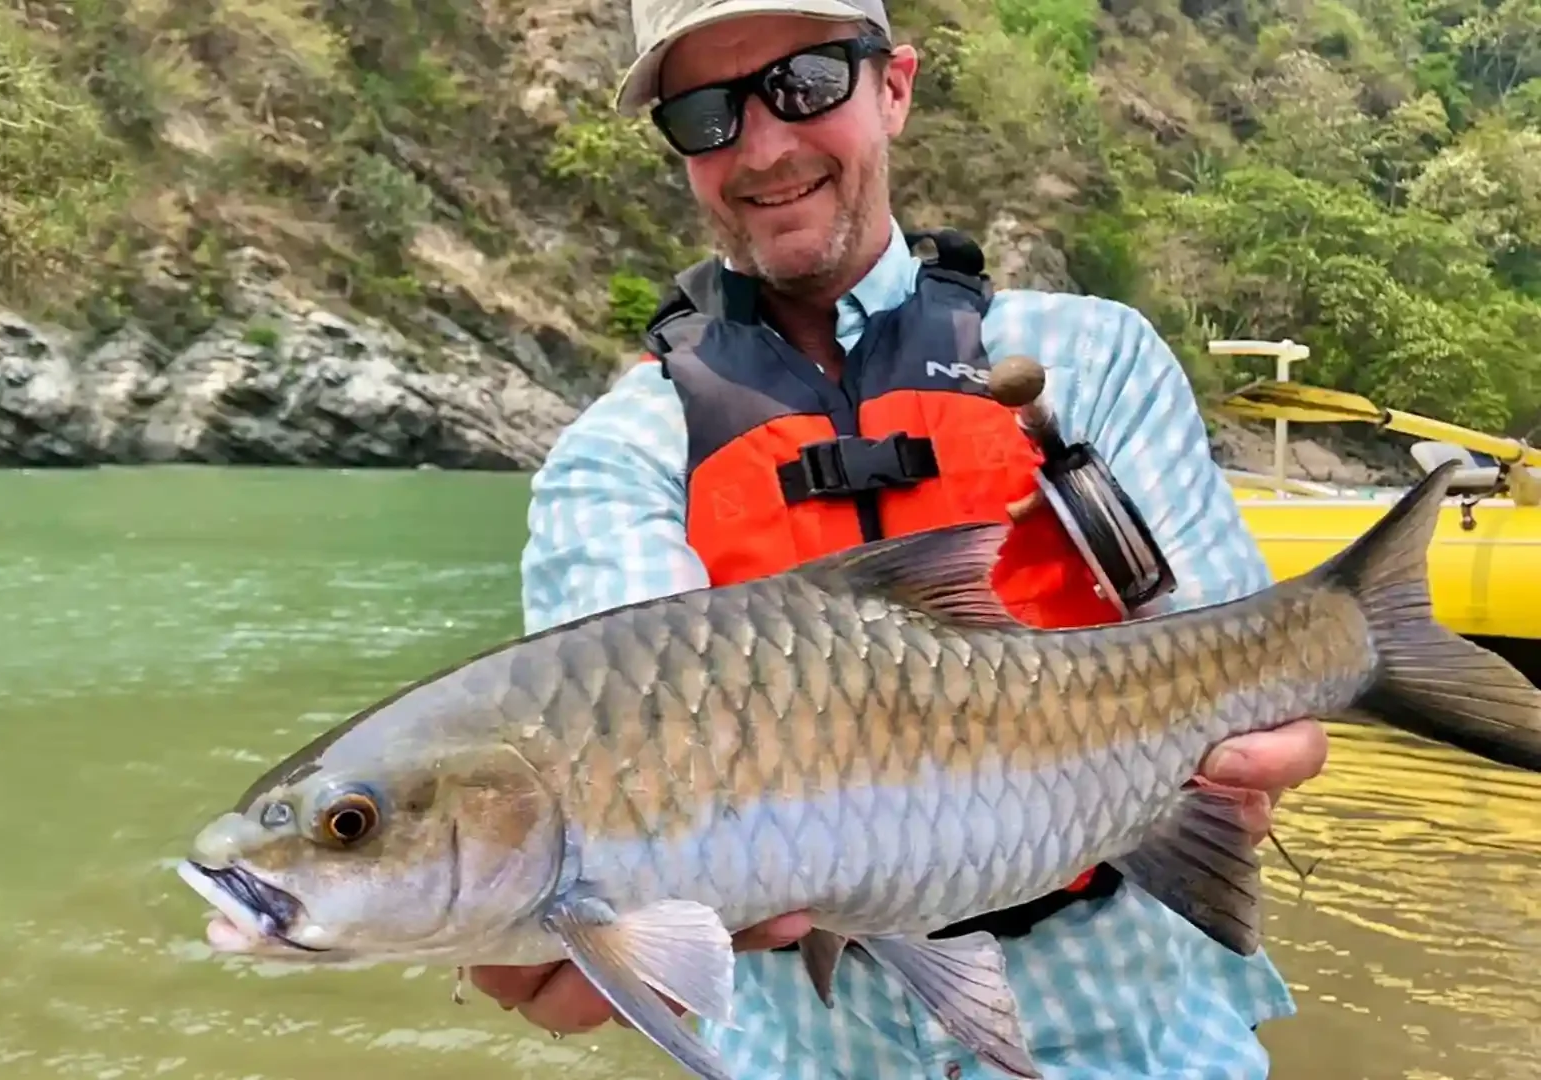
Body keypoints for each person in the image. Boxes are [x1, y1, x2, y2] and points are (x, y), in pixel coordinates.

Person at [474, 0, 1331, 1075]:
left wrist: (1257, 764)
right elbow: (615, 734)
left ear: (895, 87)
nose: (765, 145)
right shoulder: (618, 453)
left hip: (1137, 1028)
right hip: (808, 1045)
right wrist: (551, 927)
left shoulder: (1096, 355)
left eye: (807, 84)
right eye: (704, 114)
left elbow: (1237, 667)